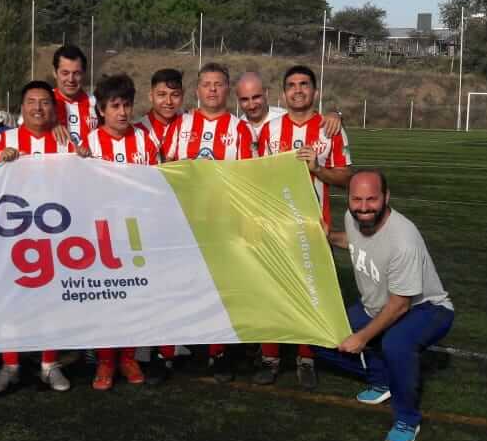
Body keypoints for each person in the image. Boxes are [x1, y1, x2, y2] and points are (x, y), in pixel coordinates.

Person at [318, 169, 454, 441]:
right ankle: (382, 381)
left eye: (372, 199)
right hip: (377, 305)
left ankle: (407, 419)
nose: (364, 207)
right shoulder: (352, 218)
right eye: (357, 199)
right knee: (319, 333)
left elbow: (399, 306)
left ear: (386, 197)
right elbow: (354, 243)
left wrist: (362, 338)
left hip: (425, 308)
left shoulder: (403, 239)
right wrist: (329, 236)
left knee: (395, 344)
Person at [255, 65, 350, 388]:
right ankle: (270, 358)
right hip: (277, 226)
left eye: (304, 85)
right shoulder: (270, 131)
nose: (298, 90)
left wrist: (318, 169)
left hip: (316, 227)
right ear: (283, 94)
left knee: (313, 293)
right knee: (274, 291)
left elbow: (346, 177)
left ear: (315, 91)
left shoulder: (330, 129)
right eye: (292, 85)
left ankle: (307, 358)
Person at [160, 62, 254, 383]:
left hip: (222, 223)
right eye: (206, 84)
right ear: (197, 90)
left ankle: (218, 353)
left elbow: (246, 179)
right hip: (183, 221)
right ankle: (166, 353)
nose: (212, 89)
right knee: (175, 287)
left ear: (228, 90)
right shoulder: (180, 124)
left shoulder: (239, 129)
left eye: (219, 84)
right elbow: (166, 168)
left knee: (221, 290)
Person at [0, 80, 75, 394]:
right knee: (11, 300)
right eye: (32, 102)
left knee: (51, 300)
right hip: (14, 239)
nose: (38, 108)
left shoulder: (65, 141)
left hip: (55, 238)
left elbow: (81, 185)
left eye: (45, 102)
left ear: (53, 108)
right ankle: (10, 365)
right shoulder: (4, 139)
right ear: (21, 107)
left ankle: (49, 364)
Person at [80, 73, 162, 389]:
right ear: (101, 110)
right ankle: (105, 360)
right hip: (101, 235)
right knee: (107, 297)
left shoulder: (146, 139)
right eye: (115, 106)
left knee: (135, 296)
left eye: (126, 105)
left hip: (138, 232)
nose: (122, 112)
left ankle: (127, 356)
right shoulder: (88, 144)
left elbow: (158, 186)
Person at [51, 44, 99, 146]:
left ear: (84, 74)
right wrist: (47, 125)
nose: (71, 79)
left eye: (76, 73)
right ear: (55, 73)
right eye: (65, 73)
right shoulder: (42, 103)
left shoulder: (96, 103)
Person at [136, 68, 185, 149]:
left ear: (182, 96)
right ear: (151, 96)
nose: (169, 101)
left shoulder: (190, 122)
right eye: (162, 95)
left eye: (175, 95)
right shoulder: (139, 130)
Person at [235, 72, 273, 139]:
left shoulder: (285, 120)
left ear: (266, 93)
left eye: (256, 97)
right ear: (238, 100)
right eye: (245, 99)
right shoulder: (235, 129)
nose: (252, 106)